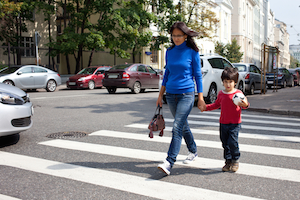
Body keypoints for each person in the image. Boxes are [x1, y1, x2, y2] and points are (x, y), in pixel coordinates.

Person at [156, 21, 206, 175]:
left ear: (185, 35)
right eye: (173, 35)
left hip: (187, 94)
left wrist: (201, 97)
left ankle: (169, 162)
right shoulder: (169, 52)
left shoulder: (192, 52)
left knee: (177, 127)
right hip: (170, 94)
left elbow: (198, 76)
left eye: (179, 35)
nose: (176, 38)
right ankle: (193, 150)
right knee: (182, 125)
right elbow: (167, 74)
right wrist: (160, 95)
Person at [204, 67, 249, 172]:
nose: (228, 84)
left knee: (232, 142)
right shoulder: (221, 93)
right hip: (223, 123)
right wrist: (206, 107)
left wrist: (245, 103)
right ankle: (228, 161)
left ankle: (235, 160)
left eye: (231, 82)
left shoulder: (238, 94)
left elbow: (245, 104)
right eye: (225, 82)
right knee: (225, 143)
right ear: (222, 82)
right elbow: (216, 105)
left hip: (235, 123)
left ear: (235, 82)